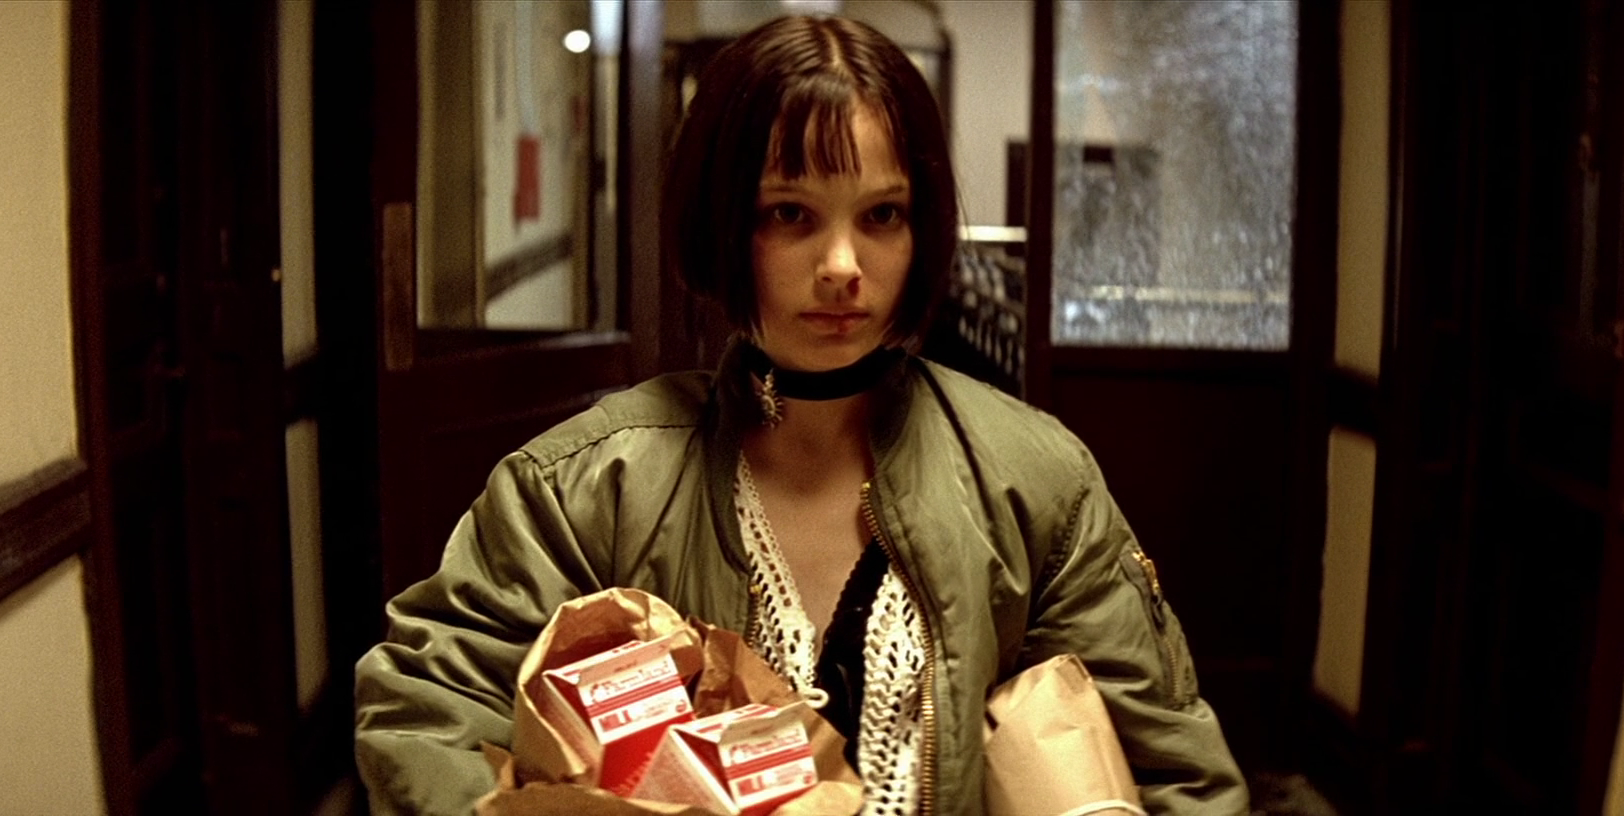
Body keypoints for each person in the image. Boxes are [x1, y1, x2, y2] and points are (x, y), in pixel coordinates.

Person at [354, 14, 1247, 816]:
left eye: (883, 214)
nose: (842, 266)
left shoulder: (1032, 479)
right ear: (719, 224)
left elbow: (1170, 769)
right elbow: (428, 713)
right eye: (790, 214)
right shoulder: (586, 491)